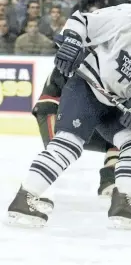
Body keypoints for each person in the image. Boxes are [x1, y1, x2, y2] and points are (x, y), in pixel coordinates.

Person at [6, 0, 131, 230]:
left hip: (116, 103)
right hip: (87, 88)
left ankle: (123, 202)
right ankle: (24, 198)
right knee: (68, 143)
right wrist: (71, 43)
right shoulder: (125, 16)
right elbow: (82, 21)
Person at [32, 66, 120, 197]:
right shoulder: (84, 60)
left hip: (80, 112)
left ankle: (109, 183)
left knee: (120, 139)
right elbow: (50, 101)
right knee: (59, 154)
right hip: (53, 108)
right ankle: (29, 193)